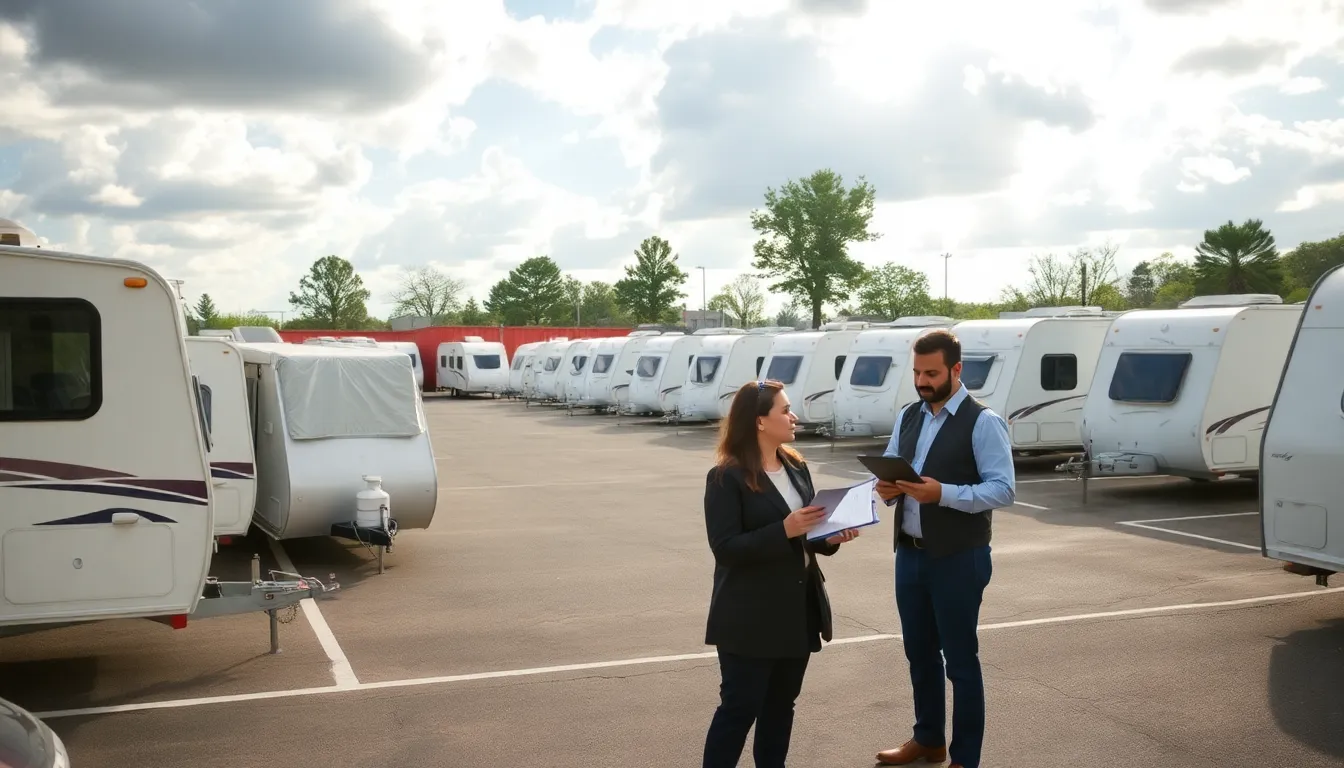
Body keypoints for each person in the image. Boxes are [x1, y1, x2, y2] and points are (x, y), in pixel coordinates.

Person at [873, 330, 1015, 768]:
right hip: (911, 553)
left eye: (931, 373)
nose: (922, 381)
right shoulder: (909, 415)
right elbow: (892, 461)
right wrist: (888, 487)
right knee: (918, 652)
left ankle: (964, 758)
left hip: (959, 556)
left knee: (960, 660)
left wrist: (944, 494)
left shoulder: (983, 421)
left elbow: (1003, 489)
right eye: (916, 372)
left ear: (956, 370)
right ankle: (929, 740)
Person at [701, 379, 860, 768]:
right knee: (739, 709)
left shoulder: (796, 465)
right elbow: (725, 549)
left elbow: (809, 535)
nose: (794, 416)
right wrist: (783, 529)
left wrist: (830, 536)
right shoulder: (726, 477)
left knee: (780, 708)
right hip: (750, 618)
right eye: (785, 410)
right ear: (759, 422)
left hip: (797, 612)